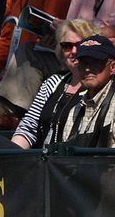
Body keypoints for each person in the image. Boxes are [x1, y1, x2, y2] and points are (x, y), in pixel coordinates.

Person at [10, 17, 101, 147]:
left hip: (83, 162)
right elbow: (29, 126)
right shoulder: (54, 81)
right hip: (47, 161)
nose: (74, 51)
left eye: (80, 45)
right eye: (67, 46)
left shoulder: (108, 83)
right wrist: (14, 154)